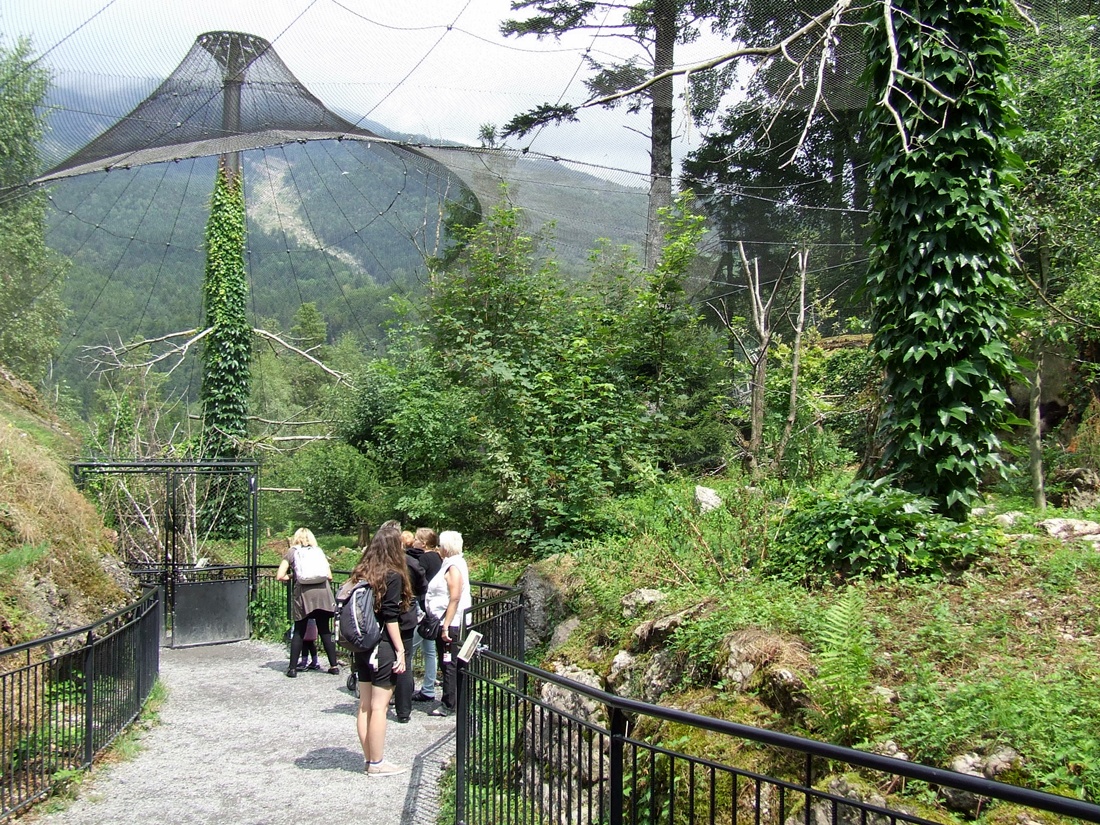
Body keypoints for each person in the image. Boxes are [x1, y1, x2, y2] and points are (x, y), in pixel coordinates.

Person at [338, 520, 413, 776]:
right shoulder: (393, 575)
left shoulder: (361, 572)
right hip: (381, 646)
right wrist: (400, 650)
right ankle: (378, 763)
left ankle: (370, 759)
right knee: (380, 707)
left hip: (362, 645)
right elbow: (390, 617)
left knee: (365, 705)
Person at [276, 528, 340, 678]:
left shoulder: (292, 552)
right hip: (323, 595)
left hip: (304, 596)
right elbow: (329, 576)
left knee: (299, 630)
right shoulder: (318, 551)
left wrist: (293, 576)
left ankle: (292, 668)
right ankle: (334, 666)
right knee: (324, 630)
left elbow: (280, 575)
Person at [424, 529, 472, 717]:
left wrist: (446, 625)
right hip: (450, 621)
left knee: (449, 663)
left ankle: (449, 703)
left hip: (450, 624)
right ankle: (454, 700)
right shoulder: (453, 563)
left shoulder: (453, 567)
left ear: (446, 546)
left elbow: (454, 597)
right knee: (451, 662)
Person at [392, 531, 428, 723]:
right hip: (405, 615)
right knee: (404, 659)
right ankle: (403, 711)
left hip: (380, 616)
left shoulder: (377, 563)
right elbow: (423, 587)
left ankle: (379, 700)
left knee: (381, 656)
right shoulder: (410, 563)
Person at [409, 527, 441, 703]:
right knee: (429, 651)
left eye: (416, 538)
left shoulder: (422, 559)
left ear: (423, 543)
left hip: (421, 610)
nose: (413, 541)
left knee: (408, 650)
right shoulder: (438, 558)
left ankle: (403, 687)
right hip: (431, 612)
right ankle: (428, 688)